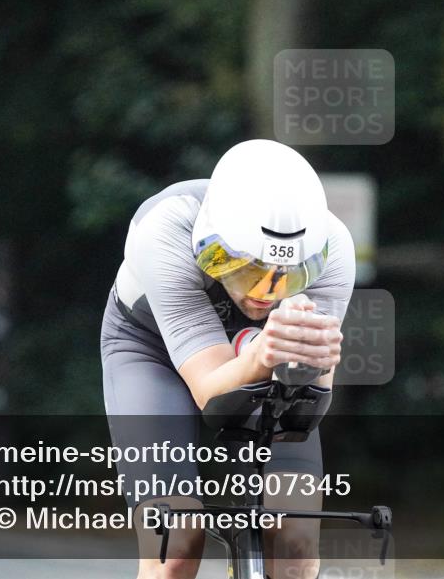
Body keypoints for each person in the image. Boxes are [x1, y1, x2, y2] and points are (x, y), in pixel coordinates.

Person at [100, 139, 355, 579]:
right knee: (176, 543)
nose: (264, 292)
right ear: (211, 248)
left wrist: (315, 372)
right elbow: (211, 390)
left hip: (266, 354)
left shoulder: (333, 249)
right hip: (151, 350)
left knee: (295, 547)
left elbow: (306, 410)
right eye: (247, 269)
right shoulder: (164, 229)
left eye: (287, 277)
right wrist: (264, 352)